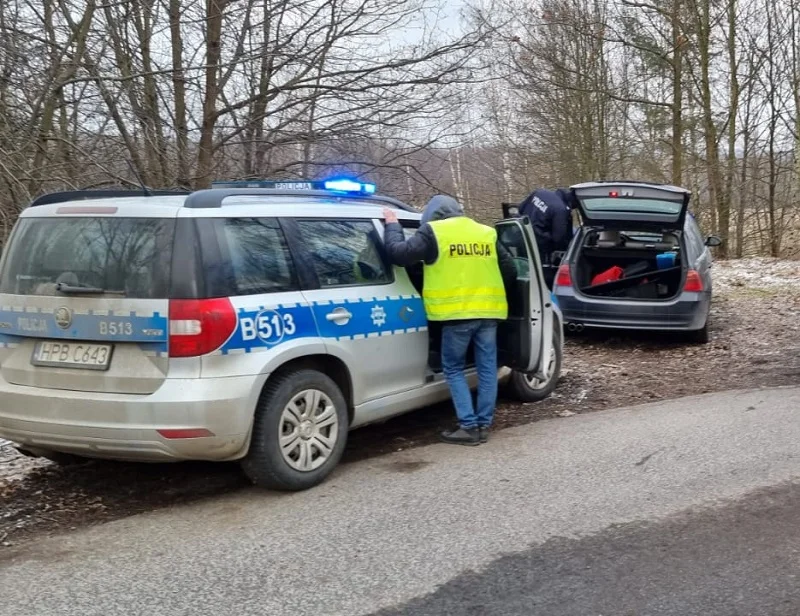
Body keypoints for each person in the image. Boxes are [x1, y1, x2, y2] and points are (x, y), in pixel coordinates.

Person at [382, 196, 517, 446]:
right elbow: (510, 270)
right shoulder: (485, 232)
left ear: (434, 216)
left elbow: (399, 255)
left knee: (453, 368)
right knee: (487, 369)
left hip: (456, 316)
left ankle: (468, 426)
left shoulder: (433, 231)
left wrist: (391, 225)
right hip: (489, 313)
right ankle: (484, 425)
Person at [518, 188, 573, 264]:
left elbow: (520, 208)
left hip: (520, 234)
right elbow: (558, 238)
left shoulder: (539, 192)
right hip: (537, 245)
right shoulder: (561, 209)